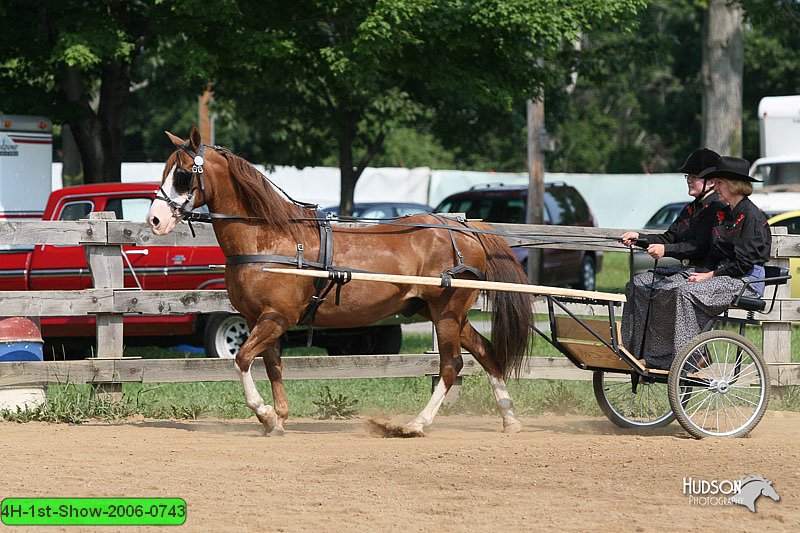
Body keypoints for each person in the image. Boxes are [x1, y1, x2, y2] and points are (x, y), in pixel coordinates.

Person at [621, 156, 771, 369]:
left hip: (745, 281)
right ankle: (656, 355)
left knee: (685, 292)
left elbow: (743, 263)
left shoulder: (752, 218)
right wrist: (704, 271)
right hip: (724, 275)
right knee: (668, 288)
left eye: (719, 182)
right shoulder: (724, 213)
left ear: (734, 185)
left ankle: (692, 358)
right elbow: (713, 252)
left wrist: (709, 275)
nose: (715, 186)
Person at [621, 147, 722, 263]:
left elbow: (698, 247)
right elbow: (669, 238)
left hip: (704, 273)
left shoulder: (717, 209)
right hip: (687, 270)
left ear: (711, 182)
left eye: (694, 177)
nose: (688, 180)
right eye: (688, 176)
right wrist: (639, 238)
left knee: (653, 281)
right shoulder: (690, 209)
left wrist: (665, 249)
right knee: (639, 280)